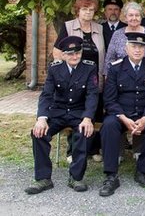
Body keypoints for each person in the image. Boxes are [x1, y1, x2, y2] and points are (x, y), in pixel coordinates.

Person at [25, 36, 99, 195]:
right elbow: (46, 95)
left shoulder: (89, 68)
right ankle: (43, 178)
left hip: (79, 112)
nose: (75, 57)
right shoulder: (54, 68)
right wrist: (42, 118)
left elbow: (92, 95)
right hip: (57, 112)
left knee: (85, 133)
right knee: (38, 134)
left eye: (78, 53)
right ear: (63, 55)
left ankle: (76, 177)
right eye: (71, 54)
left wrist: (87, 118)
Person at [98, 33, 145, 196]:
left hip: (143, 113)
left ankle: (143, 170)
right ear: (126, 48)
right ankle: (111, 175)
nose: (137, 50)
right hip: (121, 114)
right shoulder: (115, 67)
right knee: (109, 125)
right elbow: (109, 99)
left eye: (141, 47)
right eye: (134, 46)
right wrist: (124, 118)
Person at [53, 0, 105, 80]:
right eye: (84, 9)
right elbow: (57, 53)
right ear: (78, 11)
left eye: (91, 10)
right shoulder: (68, 26)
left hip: (94, 78)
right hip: (72, 78)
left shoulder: (100, 29)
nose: (88, 12)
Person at [104, 2, 145, 75]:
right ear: (125, 17)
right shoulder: (117, 34)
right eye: (131, 15)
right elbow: (110, 59)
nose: (134, 18)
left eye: (137, 15)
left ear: (141, 17)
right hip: (120, 77)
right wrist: (108, 79)